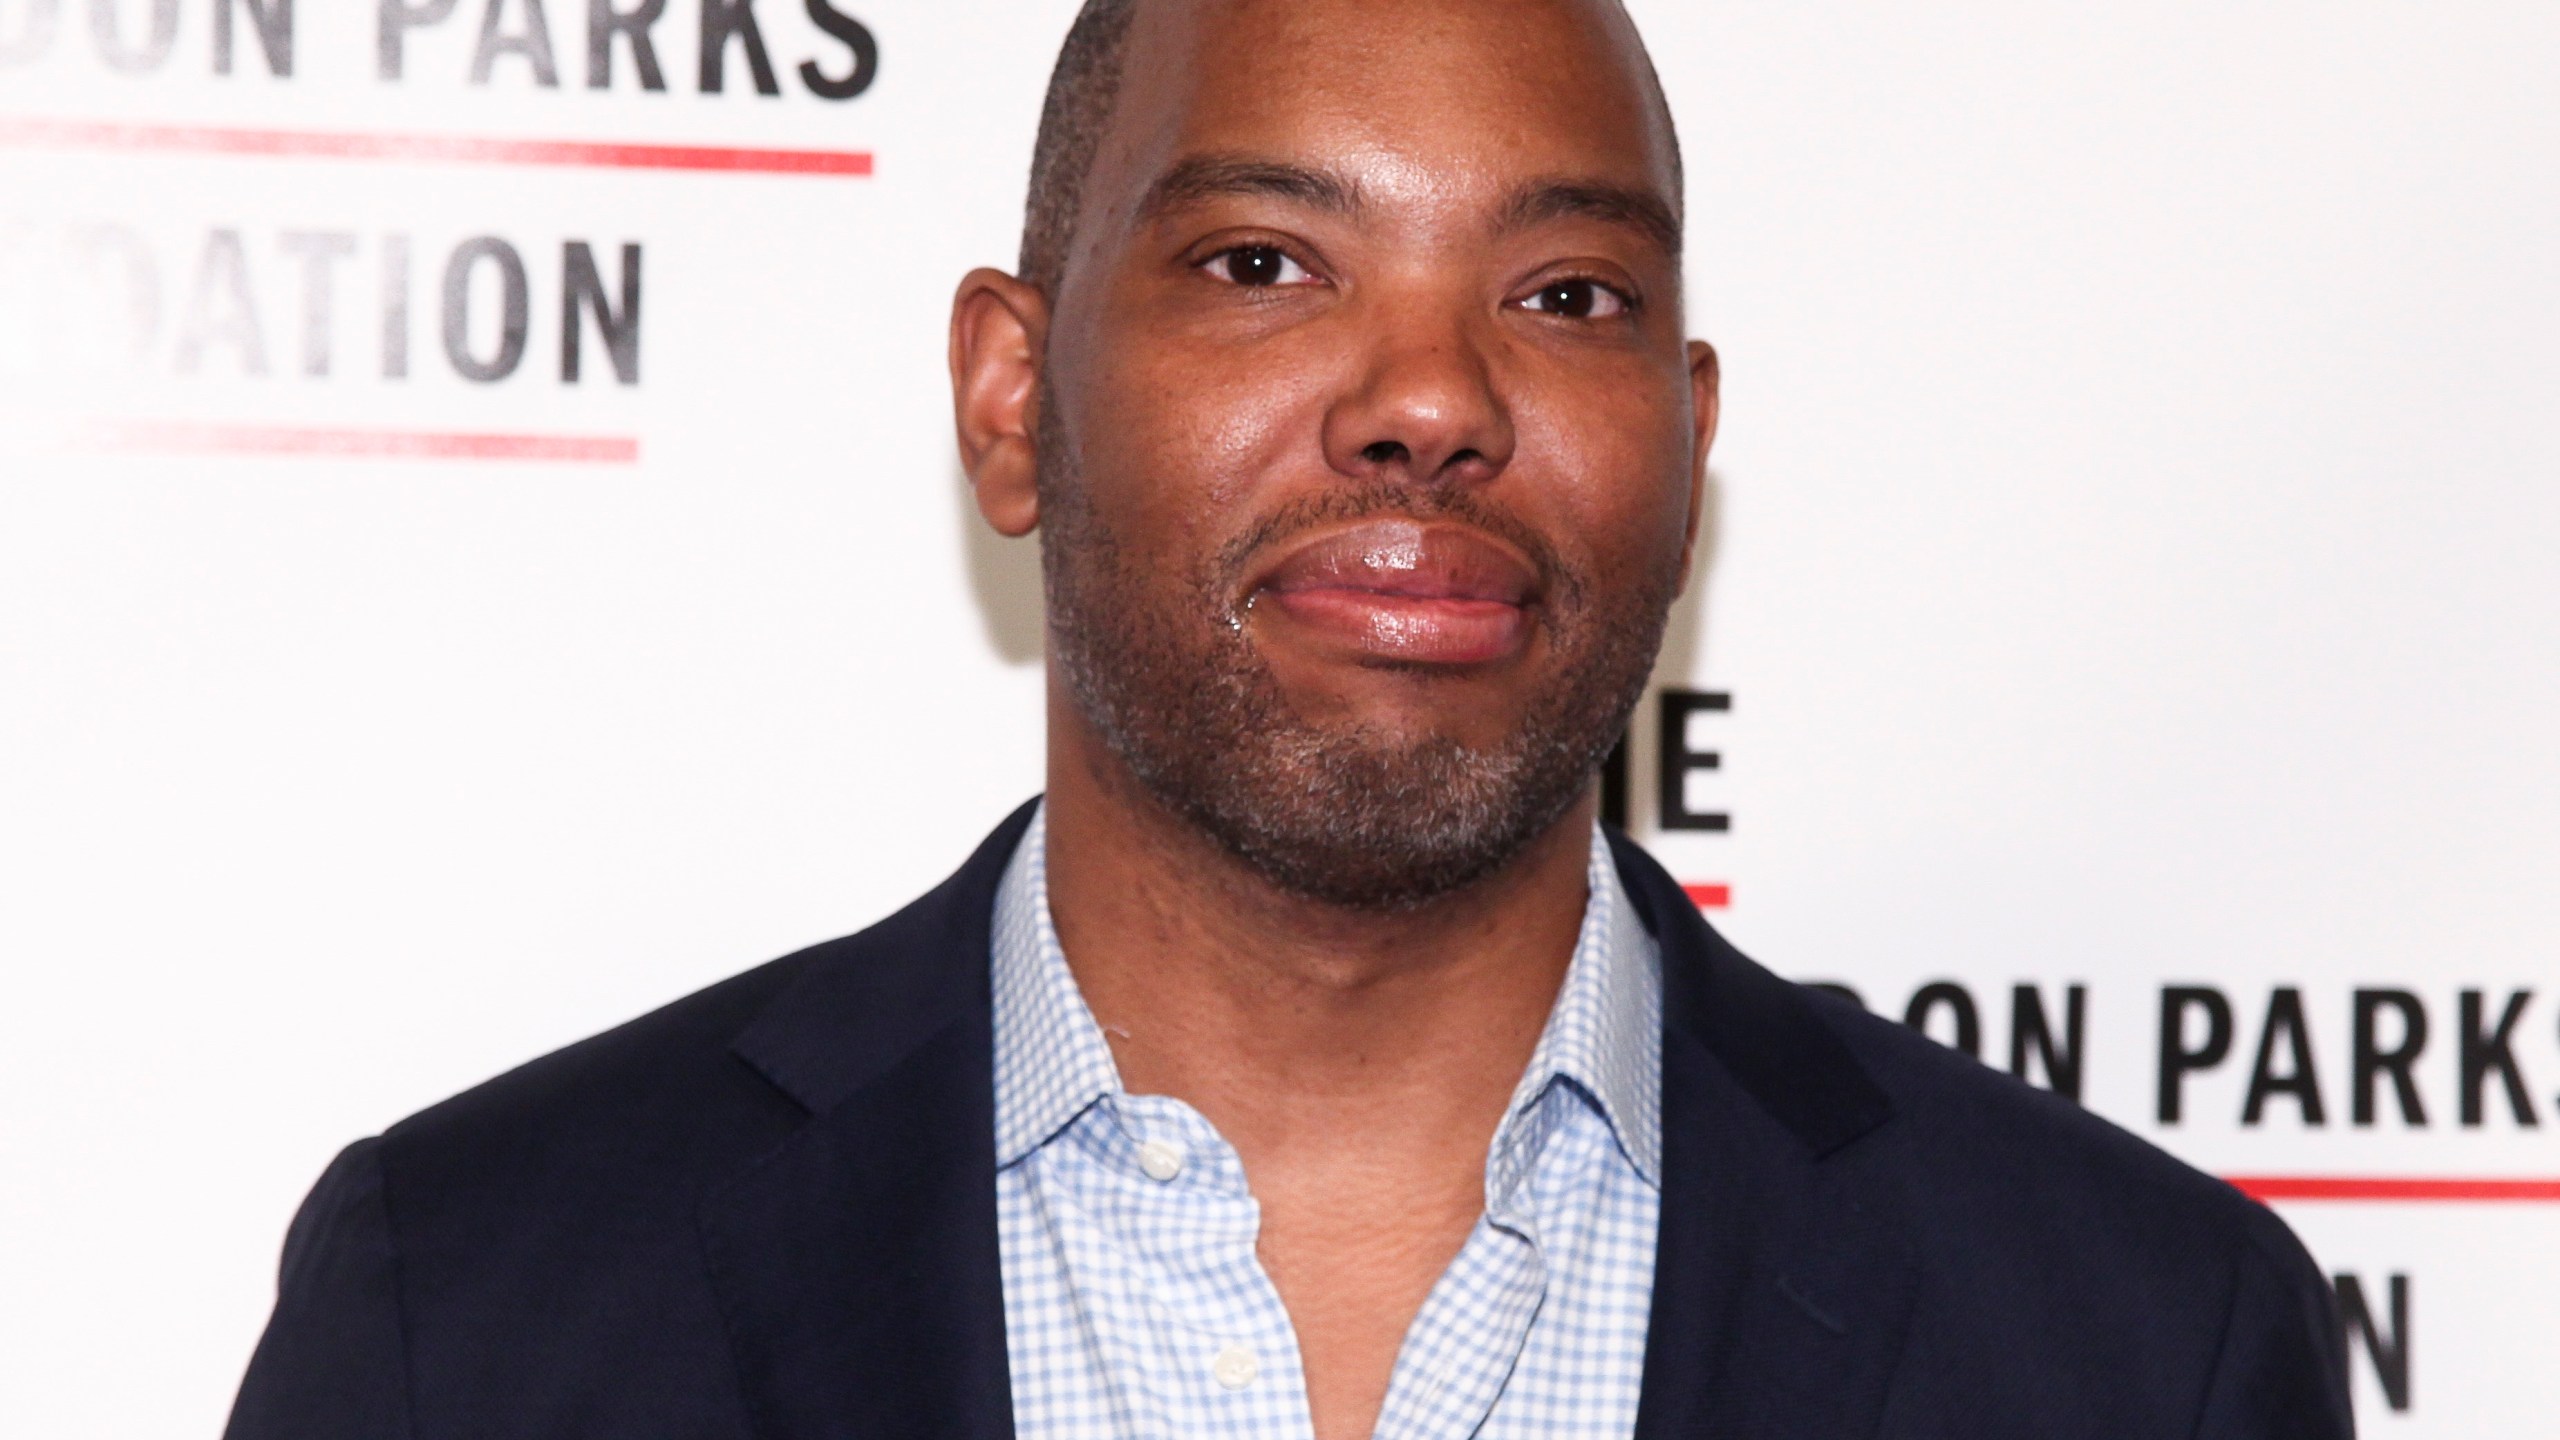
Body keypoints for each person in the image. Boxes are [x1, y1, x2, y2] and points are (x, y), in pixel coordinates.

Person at [224, 1, 2354, 1436]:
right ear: (1008, 400)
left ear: (1682, 451)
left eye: (1565, 297)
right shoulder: (479, 1320)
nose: (1429, 401)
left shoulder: (2130, 1349)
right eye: (1263, 264)